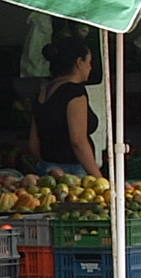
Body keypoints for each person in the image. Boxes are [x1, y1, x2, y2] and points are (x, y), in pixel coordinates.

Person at [29, 37, 102, 177]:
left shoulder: (44, 92)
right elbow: (78, 141)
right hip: (73, 172)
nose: (90, 68)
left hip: (47, 169)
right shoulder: (74, 92)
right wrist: (98, 178)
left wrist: (48, 165)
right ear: (80, 62)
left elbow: (33, 142)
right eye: (89, 62)